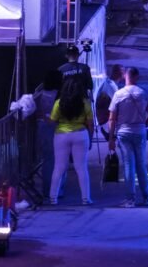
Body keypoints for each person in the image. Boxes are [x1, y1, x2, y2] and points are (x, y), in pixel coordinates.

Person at [108, 66, 148, 208]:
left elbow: (111, 119)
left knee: (129, 166)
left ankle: (130, 200)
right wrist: (144, 125)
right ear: (137, 77)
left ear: (125, 76)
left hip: (123, 133)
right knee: (141, 165)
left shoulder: (118, 94)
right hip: (140, 132)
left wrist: (111, 138)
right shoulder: (144, 93)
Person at [48, 77, 93, 206]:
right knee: (81, 167)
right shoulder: (85, 103)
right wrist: (89, 139)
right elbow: (90, 124)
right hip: (80, 134)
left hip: (61, 135)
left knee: (59, 167)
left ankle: (53, 198)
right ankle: (86, 198)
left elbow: (52, 120)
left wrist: (44, 117)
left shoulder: (59, 103)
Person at [33, 70, 63, 199]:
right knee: (60, 159)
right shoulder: (59, 95)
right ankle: (57, 189)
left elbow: (34, 108)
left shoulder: (40, 94)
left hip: (42, 126)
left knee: (47, 159)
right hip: (57, 126)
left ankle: (46, 189)